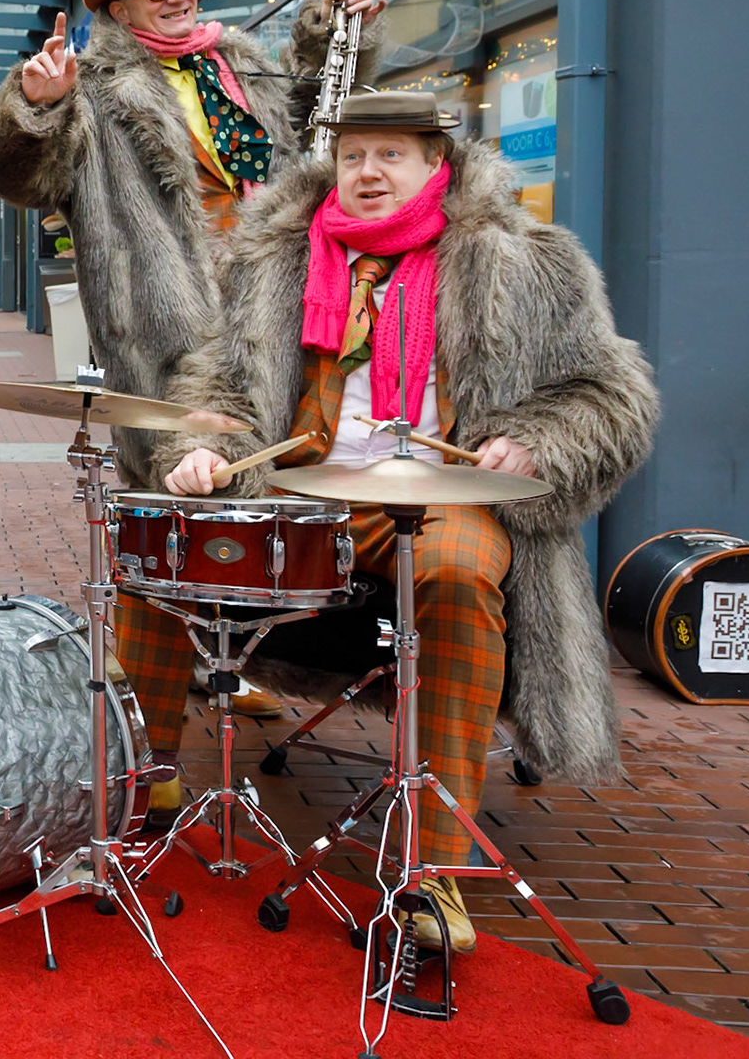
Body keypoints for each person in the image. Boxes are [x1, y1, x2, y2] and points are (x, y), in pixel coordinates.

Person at [137, 92, 658, 952]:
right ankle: (149, 776)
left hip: (440, 493)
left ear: (436, 166)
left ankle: (433, 868)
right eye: (353, 157)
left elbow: (613, 395)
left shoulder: (526, 262)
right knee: (163, 545)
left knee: (456, 572)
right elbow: (225, 383)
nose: (368, 173)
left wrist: (535, 441)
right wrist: (203, 446)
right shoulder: (275, 257)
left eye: (391, 155)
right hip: (302, 494)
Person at [0, 0, 384, 484]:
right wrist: (35, 108)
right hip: (166, 344)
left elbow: (311, 133)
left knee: (290, 499)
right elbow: (20, 181)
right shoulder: (90, 89)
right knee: (189, 516)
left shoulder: (237, 66)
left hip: (274, 312)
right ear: (119, 10)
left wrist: (334, 37)